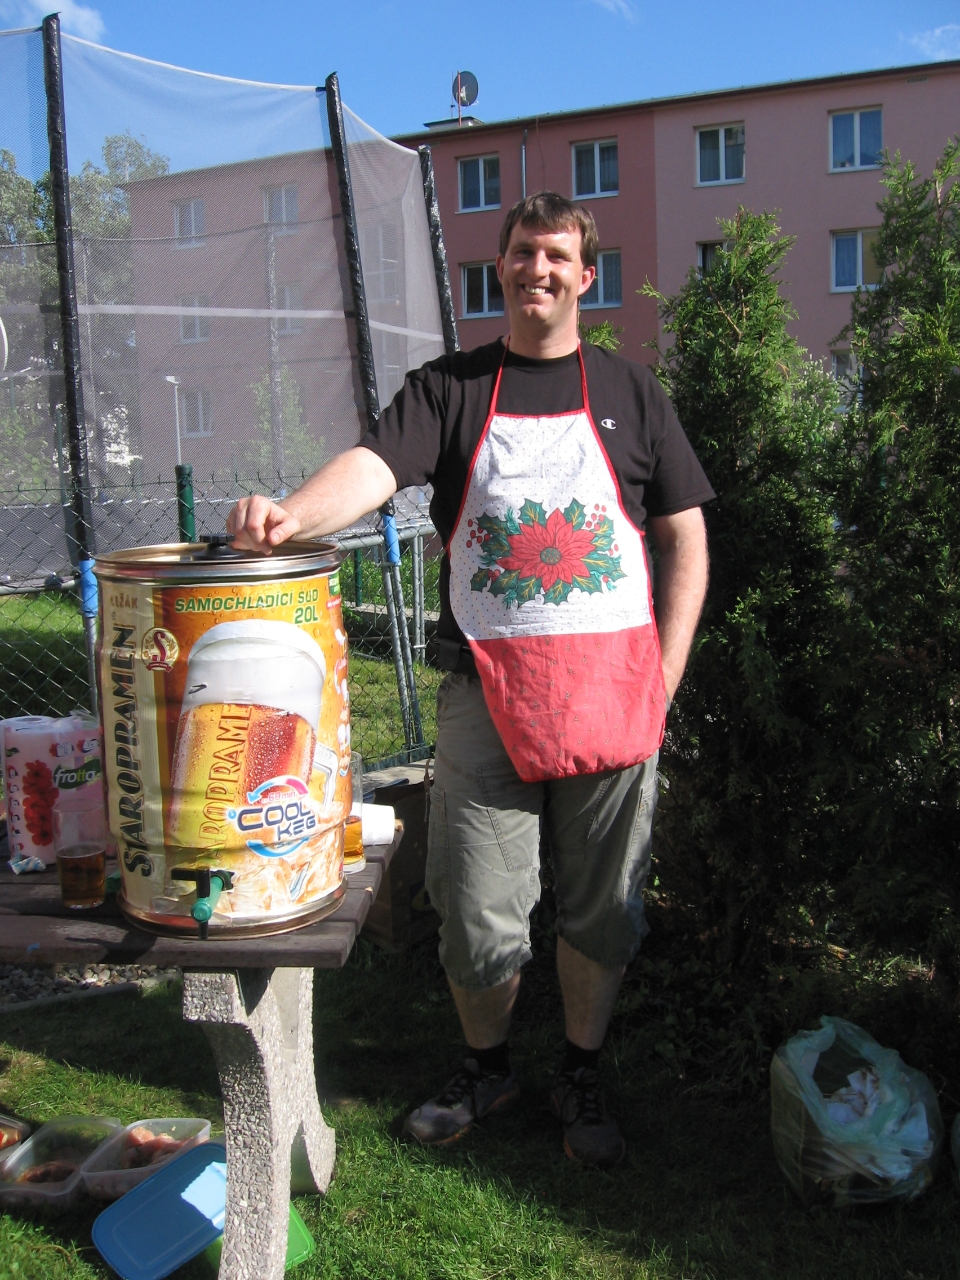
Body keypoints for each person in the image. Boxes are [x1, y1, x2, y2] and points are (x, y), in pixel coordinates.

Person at [228, 192, 713, 1167]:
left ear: (586, 275)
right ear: (502, 267)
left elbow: (685, 539)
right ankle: (487, 1065)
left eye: (558, 255)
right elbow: (373, 468)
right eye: (524, 251)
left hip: (615, 698)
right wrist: (289, 517)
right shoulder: (450, 389)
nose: (540, 268)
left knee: (603, 906)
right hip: (483, 695)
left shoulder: (632, 393)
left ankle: (580, 1069)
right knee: (478, 905)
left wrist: (664, 677)